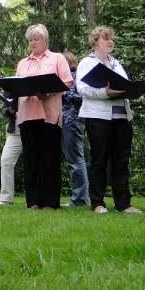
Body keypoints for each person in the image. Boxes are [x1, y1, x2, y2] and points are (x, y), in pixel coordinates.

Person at [77, 26, 141, 214]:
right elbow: (82, 88)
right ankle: (97, 203)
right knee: (99, 160)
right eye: (106, 38)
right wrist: (105, 92)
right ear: (95, 42)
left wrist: (138, 90)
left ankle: (124, 203)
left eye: (111, 38)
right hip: (99, 117)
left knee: (121, 161)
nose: (110, 41)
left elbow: (125, 86)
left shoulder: (116, 63)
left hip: (122, 117)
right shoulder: (87, 62)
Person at [9, 25, 72, 211]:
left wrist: (48, 91)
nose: (32, 43)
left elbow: (68, 82)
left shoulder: (57, 58)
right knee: (31, 159)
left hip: (49, 114)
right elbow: (18, 84)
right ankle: (33, 202)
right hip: (27, 114)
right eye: (30, 40)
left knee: (49, 158)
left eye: (36, 39)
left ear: (46, 40)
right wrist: (10, 90)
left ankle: (50, 202)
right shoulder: (23, 63)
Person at [60, 51, 89, 207]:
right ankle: (78, 197)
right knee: (71, 159)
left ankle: (80, 199)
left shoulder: (76, 77)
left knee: (76, 159)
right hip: (61, 121)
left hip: (73, 120)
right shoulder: (60, 79)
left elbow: (83, 98)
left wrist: (65, 93)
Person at [0, 99, 22, 206]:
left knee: (35, 164)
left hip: (33, 131)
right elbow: (4, 110)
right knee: (6, 160)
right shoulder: (12, 91)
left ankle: (36, 200)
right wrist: (9, 110)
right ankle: (6, 199)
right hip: (14, 133)